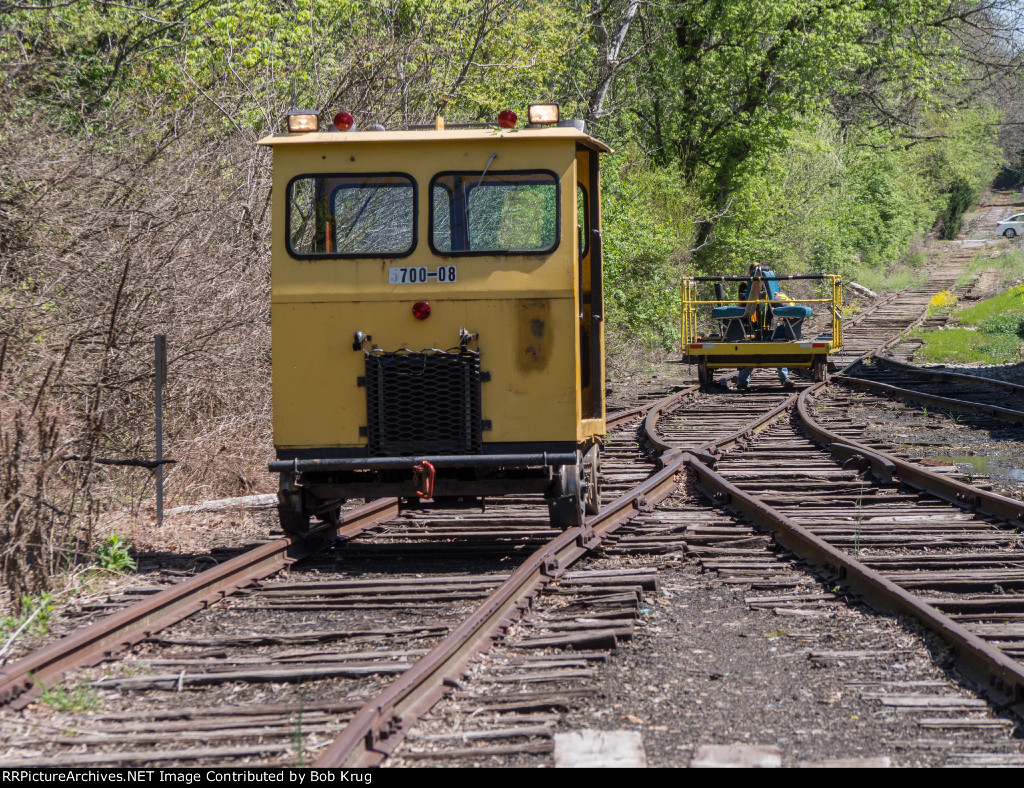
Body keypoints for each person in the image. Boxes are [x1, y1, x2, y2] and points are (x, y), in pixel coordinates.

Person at [736, 287, 793, 389]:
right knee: (750, 354)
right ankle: (742, 381)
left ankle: (785, 378)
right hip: (752, 325)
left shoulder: (771, 288)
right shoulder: (747, 287)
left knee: (779, 351)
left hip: (768, 323)